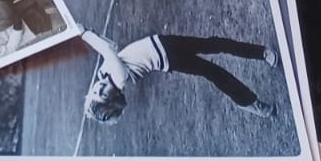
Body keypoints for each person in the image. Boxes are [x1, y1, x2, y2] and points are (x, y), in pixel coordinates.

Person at [81, 29, 275, 121]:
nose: (99, 88)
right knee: (215, 72)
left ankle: (261, 52)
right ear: (113, 96)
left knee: (214, 44)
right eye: (103, 94)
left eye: (95, 92)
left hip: (164, 42)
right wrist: (84, 34)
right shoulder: (118, 77)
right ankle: (251, 103)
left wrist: (91, 32)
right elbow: (107, 49)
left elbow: (112, 45)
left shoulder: (105, 74)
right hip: (169, 57)